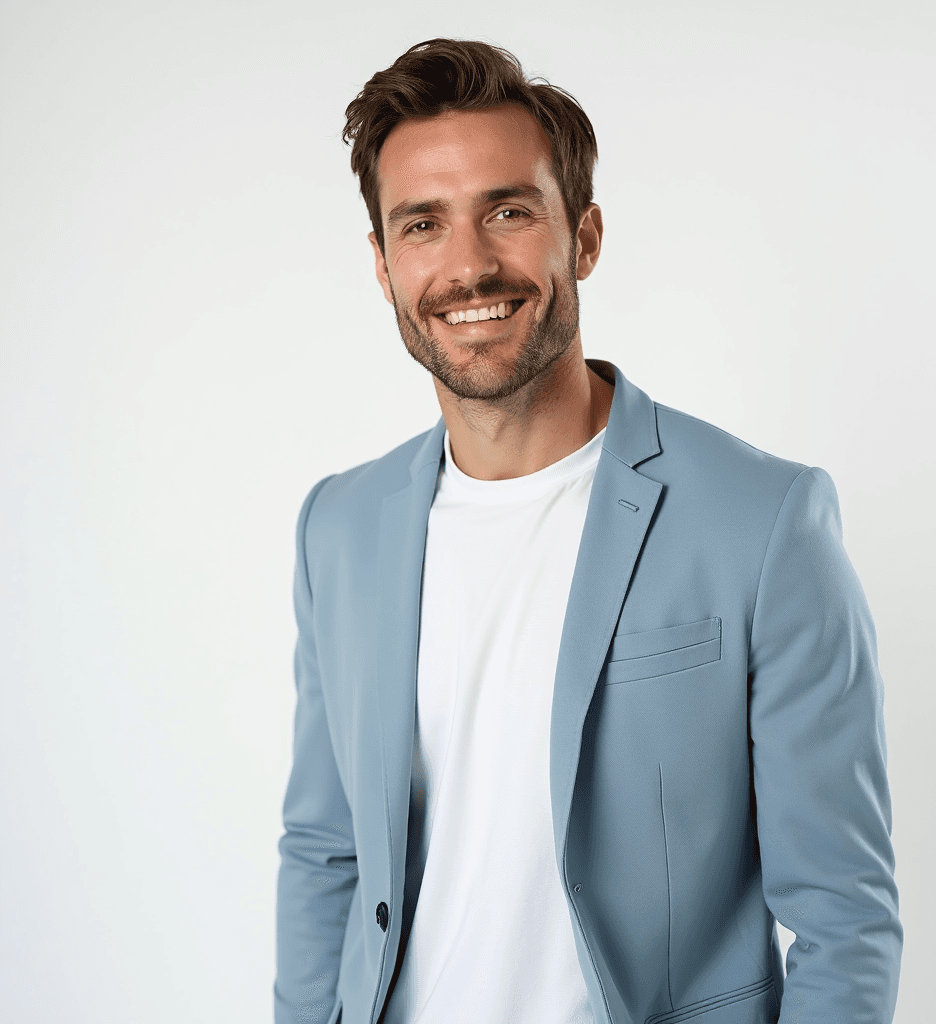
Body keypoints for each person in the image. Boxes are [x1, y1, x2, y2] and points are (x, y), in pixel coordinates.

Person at [274, 37, 902, 1024]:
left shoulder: (764, 521)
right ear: (384, 263)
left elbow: (843, 916)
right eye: (423, 225)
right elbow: (326, 852)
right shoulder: (339, 530)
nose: (468, 263)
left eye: (509, 211)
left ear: (585, 236)